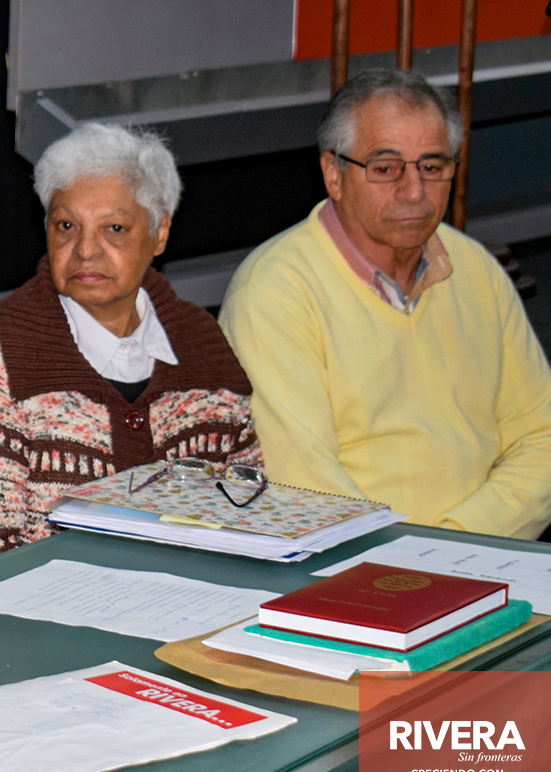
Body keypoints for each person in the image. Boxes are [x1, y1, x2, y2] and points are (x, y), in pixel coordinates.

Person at [220, 69, 551, 540]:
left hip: (483, 555)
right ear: (334, 174)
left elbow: (542, 439)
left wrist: (463, 541)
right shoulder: (274, 293)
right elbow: (305, 490)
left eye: (432, 167)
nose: (414, 191)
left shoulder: (476, 269)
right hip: (352, 569)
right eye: (385, 168)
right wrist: (422, 561)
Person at [0, 123, 261, 558]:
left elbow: (248, 511)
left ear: (159, 233)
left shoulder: (201, 346)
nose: (85, 249)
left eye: (114, 228)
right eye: (66, 225)